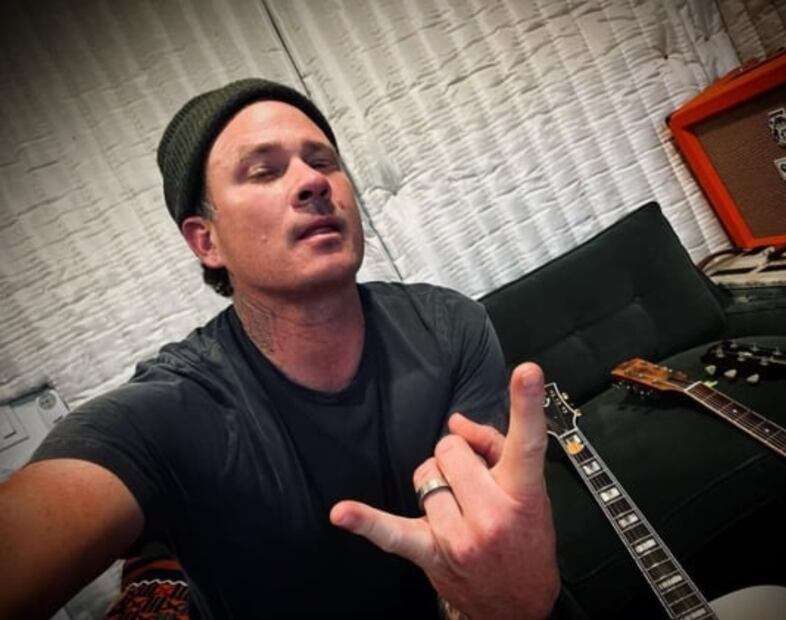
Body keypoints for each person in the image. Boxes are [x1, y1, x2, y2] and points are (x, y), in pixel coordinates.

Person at [0, 79, 559, 619]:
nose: (312, 182)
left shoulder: (449, 325)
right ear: (206, 240)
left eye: (323, 161)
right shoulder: (167, 413)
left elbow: (480, 551)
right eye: (264, 171)